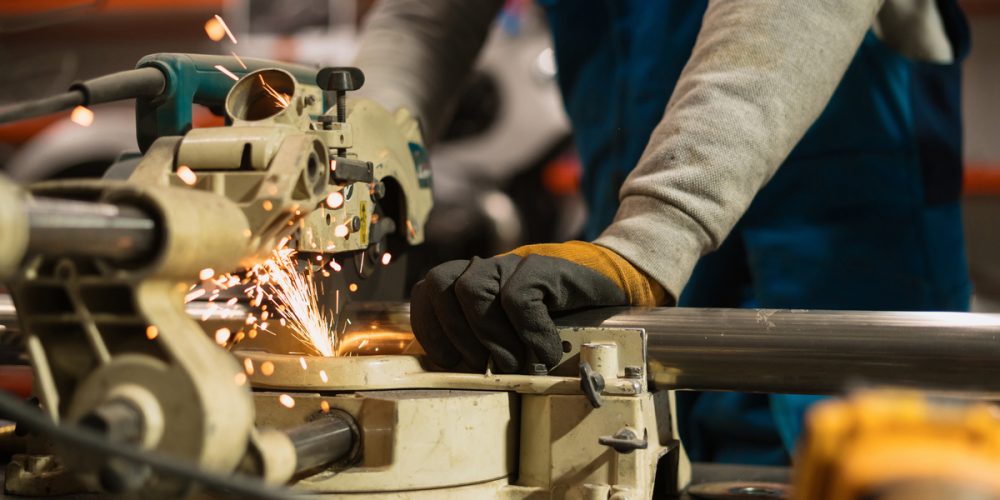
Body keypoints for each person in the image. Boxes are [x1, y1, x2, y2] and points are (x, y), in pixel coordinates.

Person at [353, 0, 971, 464]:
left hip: (846, 283)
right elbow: (423, 21)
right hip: (633, 277)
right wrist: (353, 167)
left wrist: (650, 239)